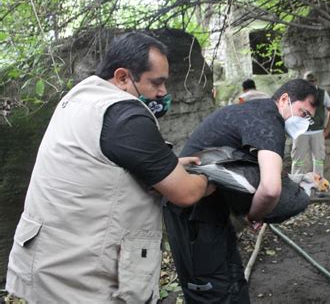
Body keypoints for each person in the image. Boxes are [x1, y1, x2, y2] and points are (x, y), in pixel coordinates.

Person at [5, 32, 214, 303]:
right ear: (123, 77)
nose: (163, 92)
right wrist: (212, 177)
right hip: (83, 281)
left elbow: (102, 164)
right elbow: (185, 193)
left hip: (46, 266)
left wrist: (168, 167)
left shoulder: (77, 99)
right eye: (156, 82)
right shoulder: (124, 114)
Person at [164, 79, 319, 303]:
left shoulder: (253, 111)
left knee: (230, 283)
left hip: (205, 207)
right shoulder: (268, 121)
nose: (303, 122)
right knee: (215, 290)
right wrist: (252, 217)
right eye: (303, 113)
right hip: (194, 211)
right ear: (285, 99)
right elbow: (270, 189)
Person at [291, 71, 330, 176]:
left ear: (316, 81)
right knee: (297, 160)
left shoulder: (322, 93)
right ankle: (296, 186)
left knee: (319, 160)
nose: (310, 83)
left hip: (318, 131)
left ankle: (318, 187)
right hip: (300, 132)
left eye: (312, 81)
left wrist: (327, 128)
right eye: (308, 81)